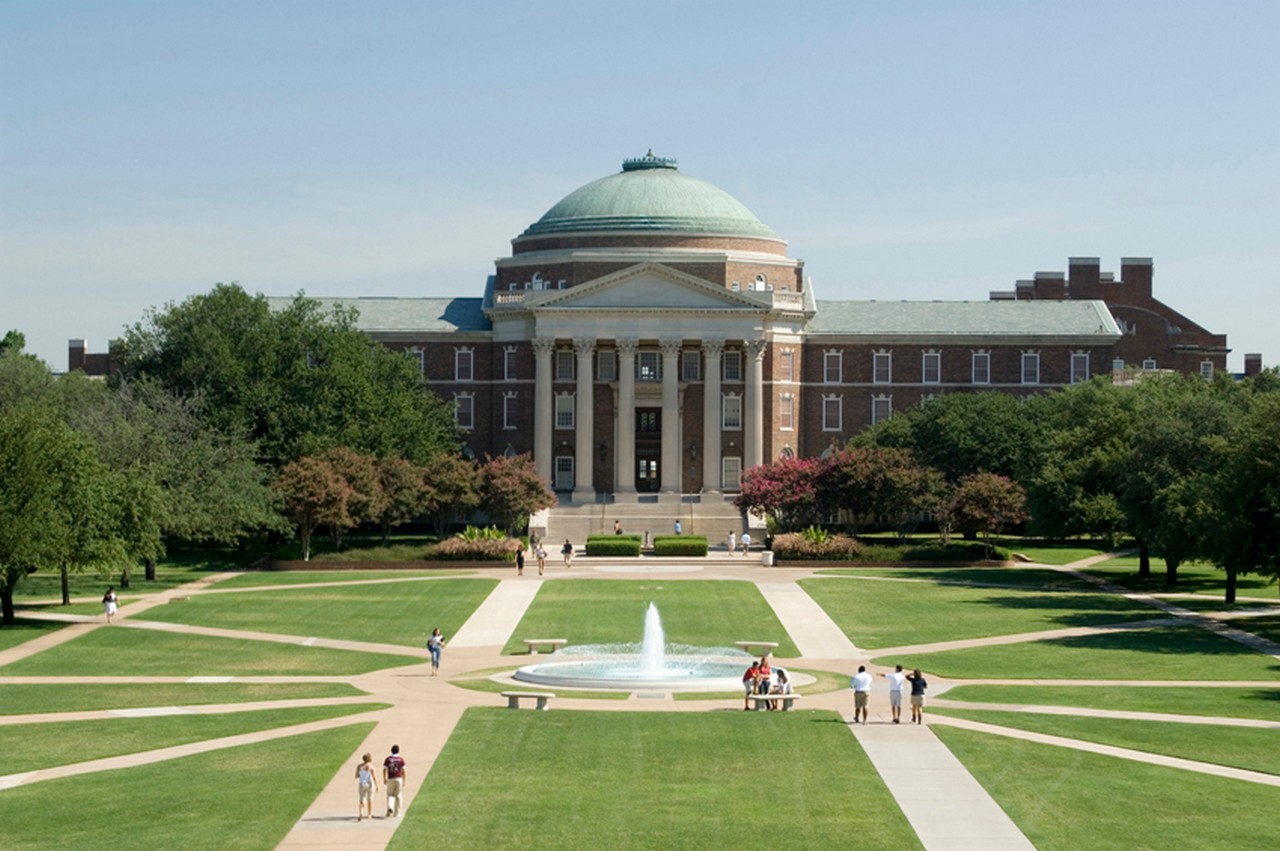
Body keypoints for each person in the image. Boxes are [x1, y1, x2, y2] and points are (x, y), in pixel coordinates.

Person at [383, 744, 406, 817]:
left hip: (390, 778)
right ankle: (397, 813)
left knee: (390, 794)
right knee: (398, 795)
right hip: (399, 778)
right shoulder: (401, 759)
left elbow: (384, 769)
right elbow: (403, 770)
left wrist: (384, 778)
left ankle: (390, 807)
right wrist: (404, 780)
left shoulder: (388, 759)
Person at [355, 752, 379, 821]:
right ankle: (369, 814)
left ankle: (361, 813)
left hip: (362, 783)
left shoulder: (359, 766)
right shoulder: (371, 766)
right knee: (370, 799)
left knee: (362, 799)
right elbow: (374, 777)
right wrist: (377, 785)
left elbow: (356, 776)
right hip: (369, 783)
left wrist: (362, 774)